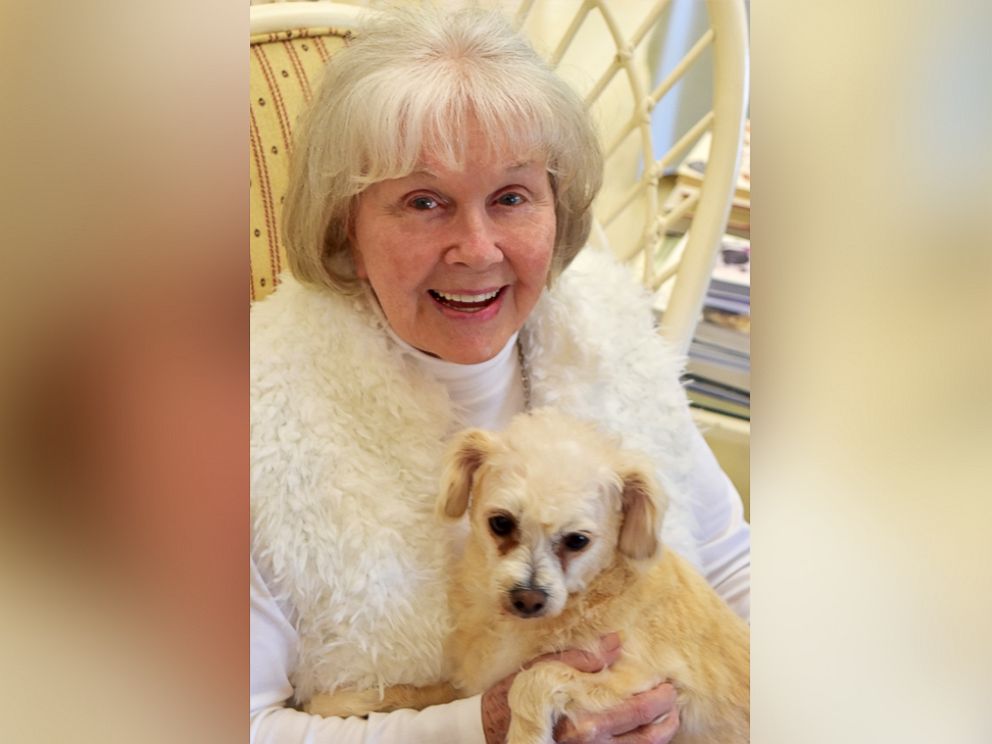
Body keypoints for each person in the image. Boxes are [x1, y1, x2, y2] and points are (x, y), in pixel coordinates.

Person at [250, 6, 749, 743]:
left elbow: (736, 571)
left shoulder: (607, 334)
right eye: (424, 202)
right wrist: (483, 727)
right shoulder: (250, 419)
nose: (477, 249)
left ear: (557, 209)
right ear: (344, 224)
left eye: (512, 197)